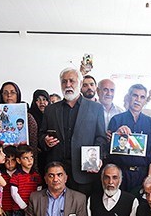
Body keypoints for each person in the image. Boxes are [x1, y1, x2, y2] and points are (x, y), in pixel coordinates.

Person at [40, 67, 107, 196]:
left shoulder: (96, 108)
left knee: (81, 208)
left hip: (84, 172)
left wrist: (96, 157)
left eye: (72, 81)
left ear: (80, 84)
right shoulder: (51, 110)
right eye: (64, 82)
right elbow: (41, 135)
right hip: (56, 173)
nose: (68, 85)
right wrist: (45, 141)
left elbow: (100, 137)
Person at [108, 84, 151, 195]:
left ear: (145, 100)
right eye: (135, 95)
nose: (138, 100)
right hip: (120, 173)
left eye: (142, 97)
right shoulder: (116, 120)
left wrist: (150, 177)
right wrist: (117, 135)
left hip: (142, 174)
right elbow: (108, 151)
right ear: (128, 97)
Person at [9, 145, 43, 216]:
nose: (30, 161)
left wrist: (34, 206)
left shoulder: (36, 176)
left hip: (33, 210)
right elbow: (14, 193)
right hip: (19, 210)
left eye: (31, 157)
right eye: (25, 158)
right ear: (19, 160)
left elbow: (39, 192)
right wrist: (24, 206)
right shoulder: (16, 176)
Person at [0, 81, 39, 150]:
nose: (9, 95)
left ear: (18, 95)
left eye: (12, 92)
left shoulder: (28, 117)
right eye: (5, 93)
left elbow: (33, 143)